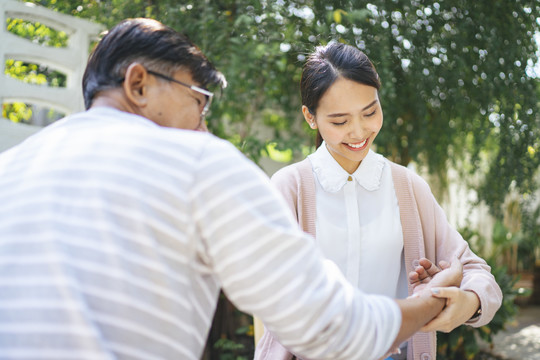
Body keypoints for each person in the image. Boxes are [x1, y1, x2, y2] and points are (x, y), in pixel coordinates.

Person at [0, 18, 463, 360]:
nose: (203, 125)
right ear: (138, 83)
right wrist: (426, 306)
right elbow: (329, 326)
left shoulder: (10, 167)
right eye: (198, 103)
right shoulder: (198, 163)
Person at [254, 42, 503, 360]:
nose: (359, 132)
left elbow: (473, 269)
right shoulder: (289, 188)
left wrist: (468, 301)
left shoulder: (407, 186)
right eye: (340, 121)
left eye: (370, 112)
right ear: (310, 117)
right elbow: (272, 292)